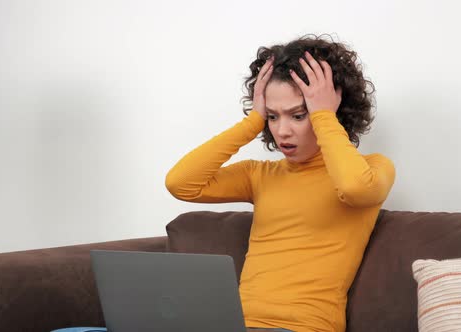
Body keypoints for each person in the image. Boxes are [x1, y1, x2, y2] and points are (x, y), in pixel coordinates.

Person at [165, 34, 396, 332]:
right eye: (272, 117)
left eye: (298, 115)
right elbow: (180, 184)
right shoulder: (260, 175)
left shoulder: (371, 168)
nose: (281, 131)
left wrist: (324, 116)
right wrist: (251, 122)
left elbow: (355, 189)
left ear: (335, 110)